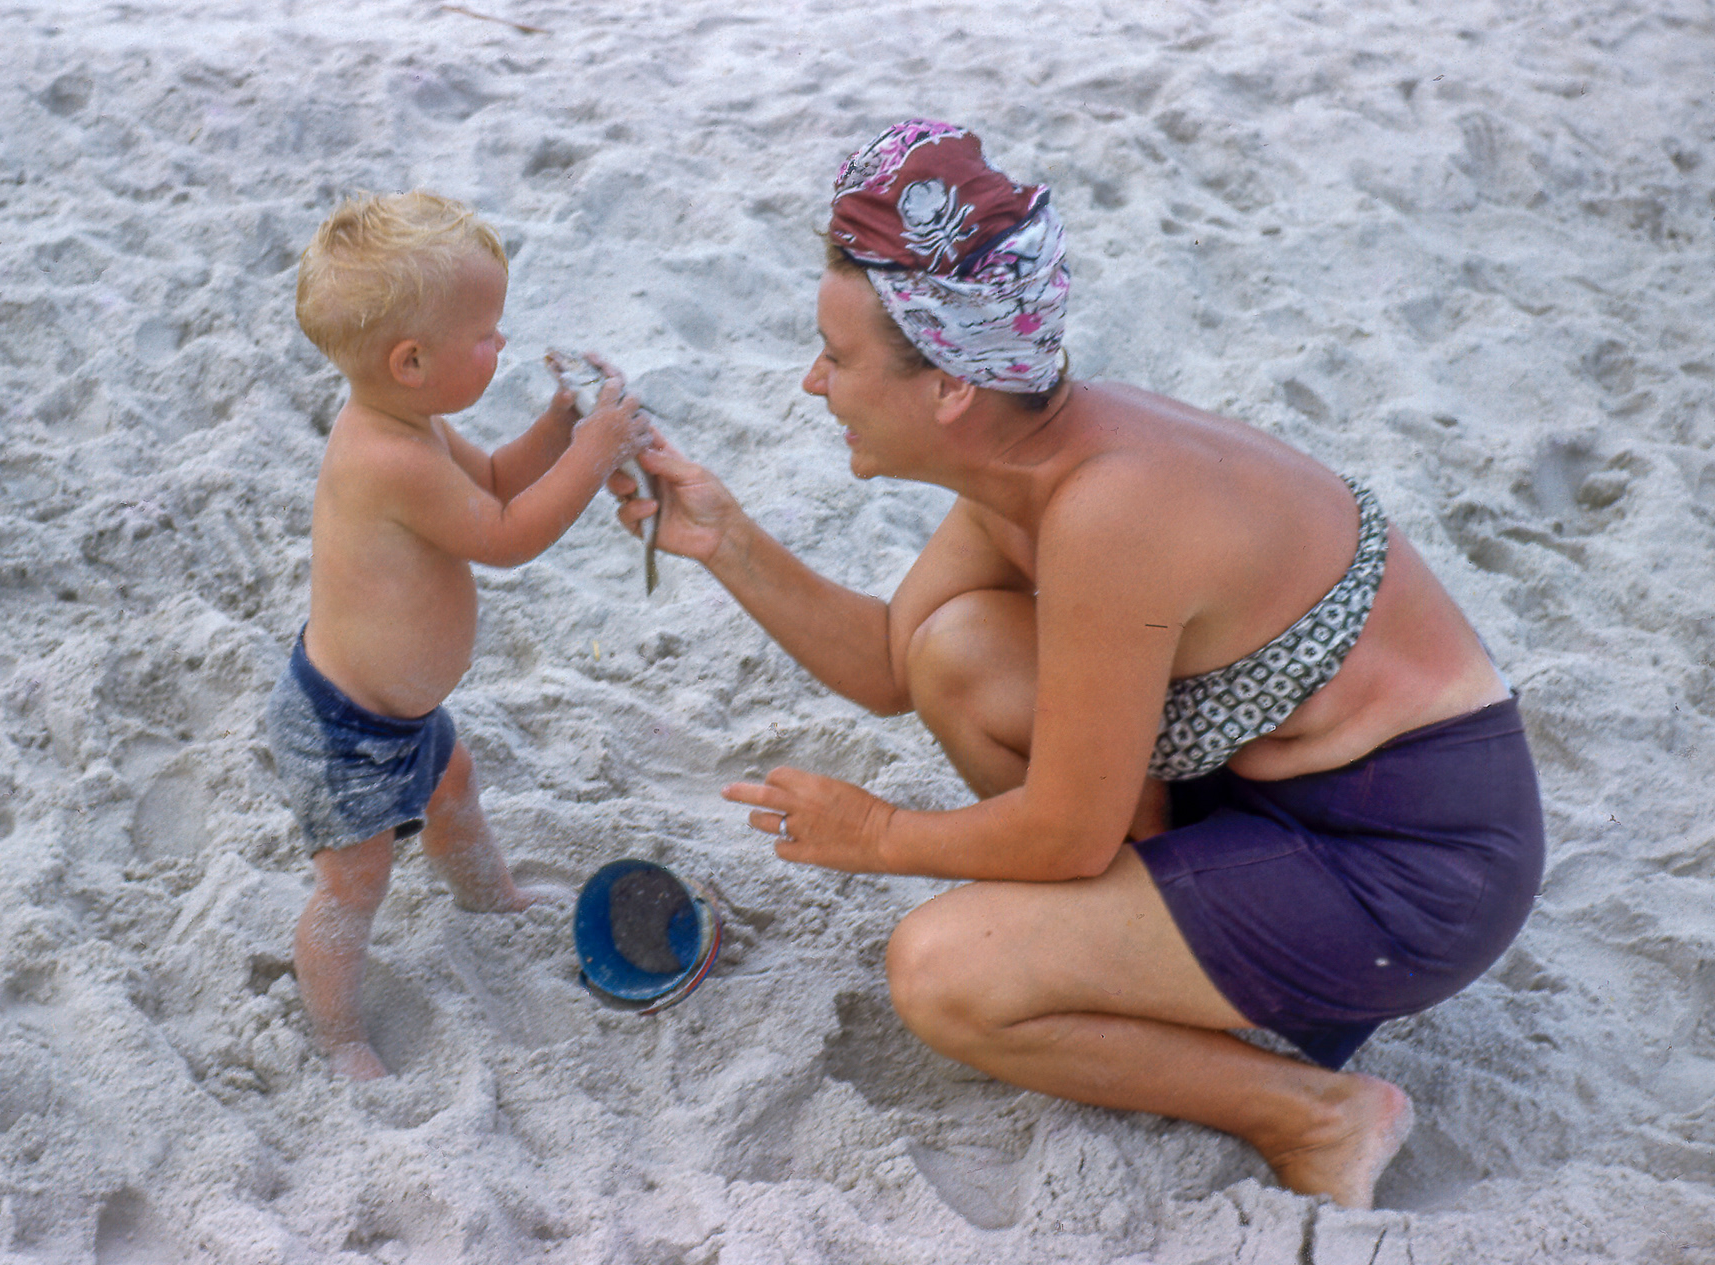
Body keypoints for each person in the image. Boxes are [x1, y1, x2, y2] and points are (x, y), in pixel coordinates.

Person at [615, 121, 1542, 1208]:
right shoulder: (1027, 458)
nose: (815, 383)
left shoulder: (1111, 509)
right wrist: (723, 536)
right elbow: (887, 663)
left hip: (1412, 869)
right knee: (955, 649)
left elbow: (1067, 830)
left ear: (950, 387)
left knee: (943, 974)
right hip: (1273, 803)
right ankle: (1157, 956)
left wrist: (876, 838)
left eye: (839, 357)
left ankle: (1321, 1114)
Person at [271, 191, 652, 1080]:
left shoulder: (416, 424)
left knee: (455, 784)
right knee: (355, 879)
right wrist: (594, 454)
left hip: (398, 713)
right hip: (343, 730)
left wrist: (559, 430)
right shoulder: (389, 458)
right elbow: (507, 535)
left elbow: (494, 481)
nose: (503, 343)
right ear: (412, 360)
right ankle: (339, 1033)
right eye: (485, 332)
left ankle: (491, 900)